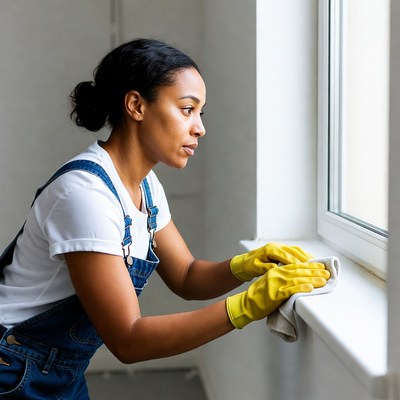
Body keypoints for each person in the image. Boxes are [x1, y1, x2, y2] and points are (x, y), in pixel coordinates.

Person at [0, 38, 330, 399]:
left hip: (56, 369)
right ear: (136, 105)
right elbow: (128, 340)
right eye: (187, 109)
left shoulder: (146, 187)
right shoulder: (85, 196)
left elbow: (186, 276)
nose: (200, 127)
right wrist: (248, 304)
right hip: (12, 368)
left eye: (200, 113)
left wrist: (247, 265)